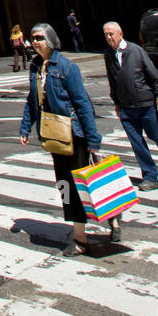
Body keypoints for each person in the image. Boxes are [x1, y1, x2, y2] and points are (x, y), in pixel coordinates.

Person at [20, 22, 111, 254]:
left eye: (39, 37)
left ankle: (84, 235)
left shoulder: (67, 68)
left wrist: (93, 139)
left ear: (50, 39)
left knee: (80, 184)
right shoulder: (35, 67)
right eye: (33, 38)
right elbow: (33, 99)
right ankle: (89, 226)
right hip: (53, 135)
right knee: (64, 185)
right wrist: (25, 128)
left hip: (74, 134)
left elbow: (82, 103)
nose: (35, 42)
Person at [103, 21, 158, 190]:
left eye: (111, 34)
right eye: (106, 35)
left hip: (146, 104)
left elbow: (153, 74)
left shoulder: (135, 51)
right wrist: (117, 103)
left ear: (120, 34)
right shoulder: (108, 55)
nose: (109, 37)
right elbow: (112, 81)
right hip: (127, 107)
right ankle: (150, 176)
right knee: (137, 143)